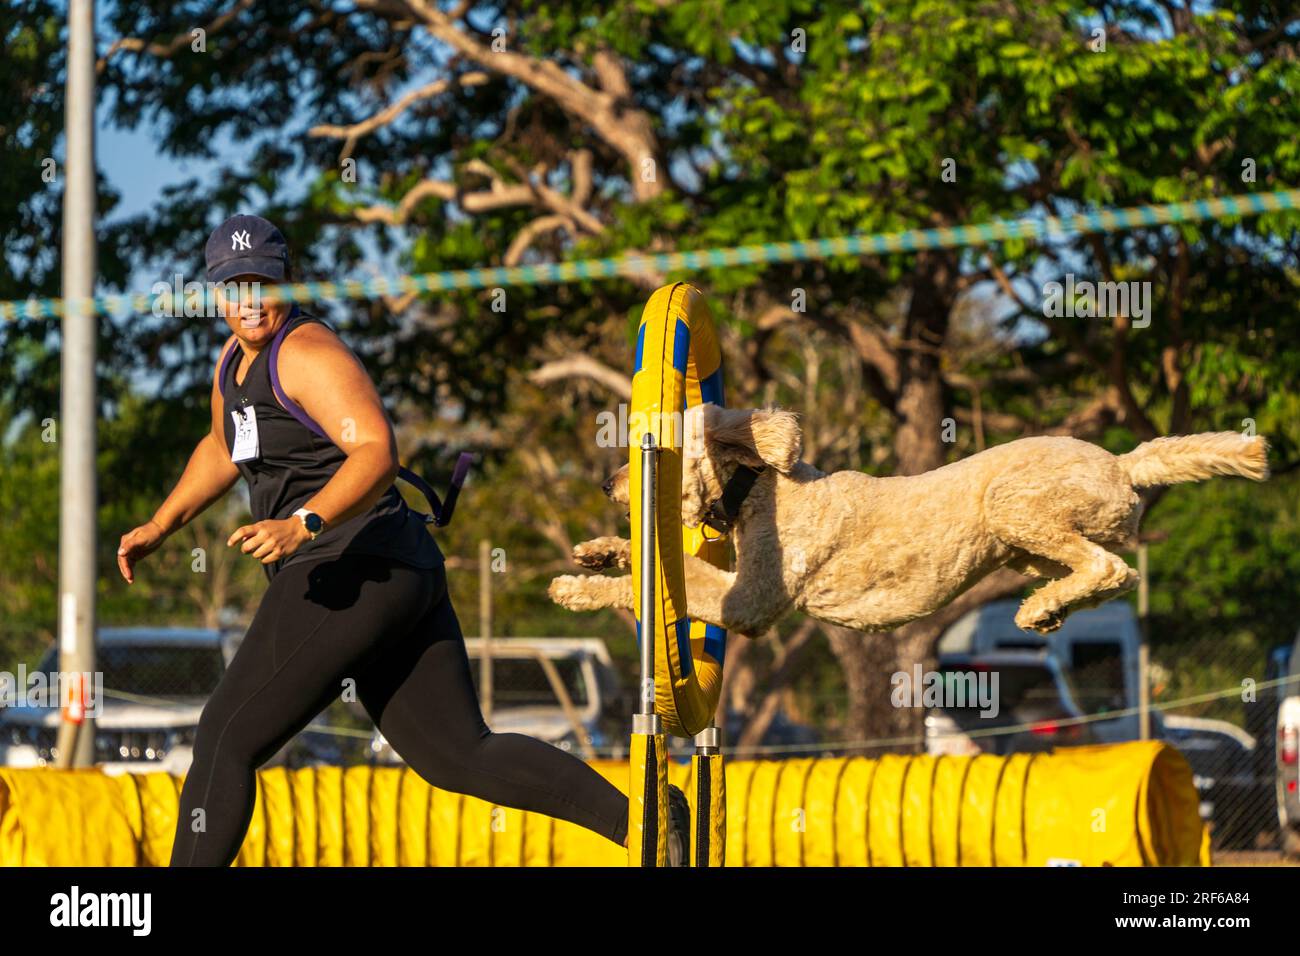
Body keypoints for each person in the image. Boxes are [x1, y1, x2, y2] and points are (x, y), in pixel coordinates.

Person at [117, 213, 635, 866]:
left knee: (224, 734)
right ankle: (645, 827)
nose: (249, 299)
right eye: (233, 285)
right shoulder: (231, 364)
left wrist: (304, 521)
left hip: (350, 565)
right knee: (458, 754)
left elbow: (375, 450)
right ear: (216, 293)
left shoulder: (304, 353)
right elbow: (223, 447)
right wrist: (161, 526)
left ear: (288, 279)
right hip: (395, 571)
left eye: (262, 281)